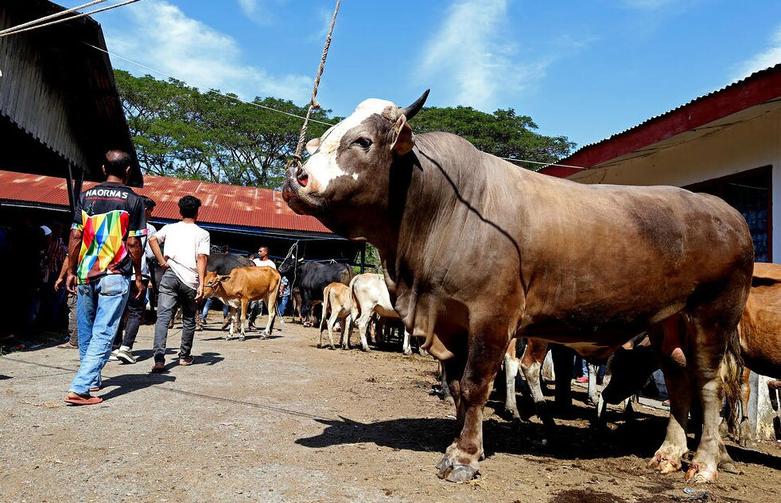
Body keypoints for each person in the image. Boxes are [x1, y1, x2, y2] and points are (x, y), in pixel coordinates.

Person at [64, 150, 146, 406]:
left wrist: (70, 270)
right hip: (114, 273)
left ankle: (92, 379)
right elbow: (133, 242)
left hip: (86, 273)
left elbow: (76, 236)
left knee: (87, 330)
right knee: (104, 332)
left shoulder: (86, 195)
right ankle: (80, 388)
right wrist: (138, 275)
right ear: (129, 171)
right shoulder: (134, 200)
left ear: (102, 168)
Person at [149, 195, 209, 372]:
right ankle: (184, 356)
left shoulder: (169, 228)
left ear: (180, 211)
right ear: (197, 212)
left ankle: (159, 359)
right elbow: (201, 258)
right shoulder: (202, 233)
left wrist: (161, 261)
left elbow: (152, 239)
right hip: (190, 280)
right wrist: (202, 284)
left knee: (163, 318)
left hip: (169, 275)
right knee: (189, 318)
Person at [111, 197, 157, 364]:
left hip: (117, 272)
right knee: (136, 311)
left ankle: (114, 347)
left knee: (118, 310)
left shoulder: (119, 223)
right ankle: (126, 347)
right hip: (139, 275)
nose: (151, 214)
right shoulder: (149, 228)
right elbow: (151, 254)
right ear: (145, 210)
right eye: (150, 210)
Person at [248, 246, 276, 328]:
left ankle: (251, 320)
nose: (258, 253)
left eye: (260, 251)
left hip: (263, 289)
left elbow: (274, 277)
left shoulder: (271, 264)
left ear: (265, 252)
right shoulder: (255, 261)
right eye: (258, 251)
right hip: (251, 286)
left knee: (257, 305)